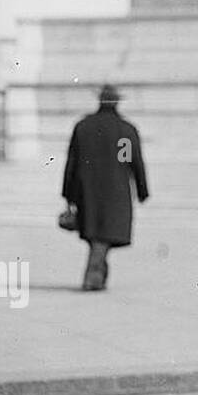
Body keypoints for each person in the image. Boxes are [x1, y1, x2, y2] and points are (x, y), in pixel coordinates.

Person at [61, 85, 149, 290]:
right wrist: (142, 190)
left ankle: (97, 273)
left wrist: (68, 194)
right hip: (115, 191)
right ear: (117, 103)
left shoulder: (83, 127)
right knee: (104, 234)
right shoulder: (125, 131)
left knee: (96, 233)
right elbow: (131, 161)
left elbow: (71, 163)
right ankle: (93, 276)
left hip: (87, 191)